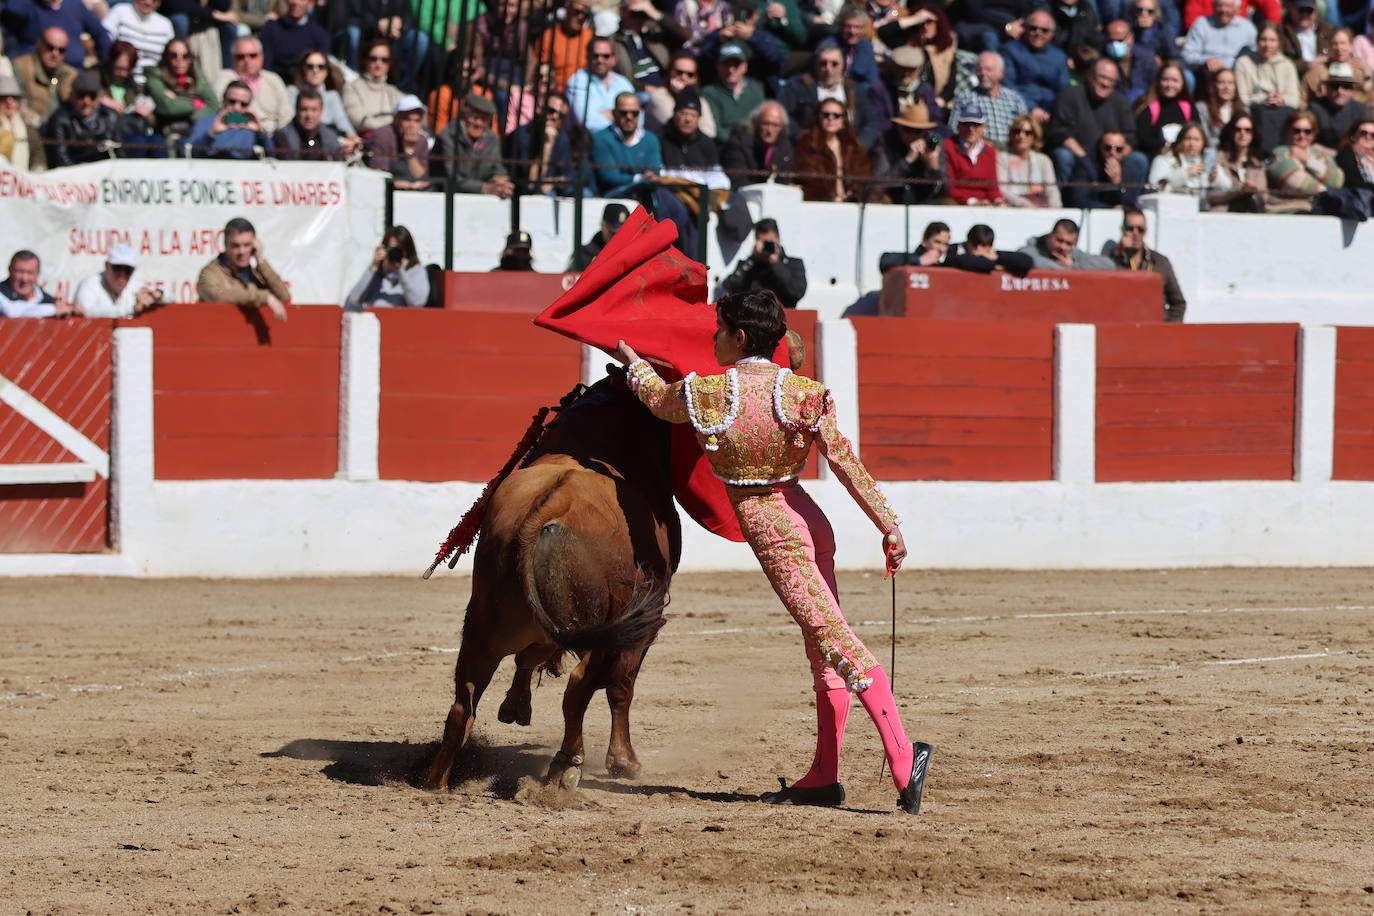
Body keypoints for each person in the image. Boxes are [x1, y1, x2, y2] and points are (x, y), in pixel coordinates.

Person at [613, 290, 933, 815]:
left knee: (834, 641)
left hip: (774, 528)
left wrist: (633, 364)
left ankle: (904, 759)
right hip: (809, 518)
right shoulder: (805, 392)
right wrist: (888, 524)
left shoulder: (709, 392)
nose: (713, 337)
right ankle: (824, 778)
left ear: (740, 336)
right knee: (822, 647)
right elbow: (846, 463)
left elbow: (658, 401)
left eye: (719, 329)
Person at [1048, 58, 1149, 185]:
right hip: (1077, 154)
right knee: (1063, 156)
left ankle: (1127, 203)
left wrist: (1116, 157)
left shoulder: (1120, 101)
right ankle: (1060, 200)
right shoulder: (1069, 95)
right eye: (1102, 77)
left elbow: (1130, 138)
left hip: (1109, 155)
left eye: (1111, 80)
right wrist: (1083, 157)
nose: (1106, 83)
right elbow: (1059, 132)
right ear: (1090, 75)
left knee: (1138, 159)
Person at [778, 42, 880, 149]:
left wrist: (859, 145)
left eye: (834, 64)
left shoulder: (855, 89)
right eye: (823, 63)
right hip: (810, 149)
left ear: (843, 65)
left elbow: (871, 122)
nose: (828, 69)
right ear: (815, 64)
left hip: (847, 150)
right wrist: (803, 137)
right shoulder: (798, 86)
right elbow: (784, 116)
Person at [196, 217, 289, 320]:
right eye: (235, 246)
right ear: (226, 245)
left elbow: (283, 297)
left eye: (247, 245)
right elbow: (218, 297)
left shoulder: (256, 274)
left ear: (254, 245)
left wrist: (261, 261)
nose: (242, 251)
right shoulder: (209, 273)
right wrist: (265, 297)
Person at [1105, 206, 1187, 321]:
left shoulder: (1160, 262)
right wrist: (1121, 253)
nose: (1135, 233)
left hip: (1156, 327)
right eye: (1130, 228)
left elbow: (1178, 303)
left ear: (1146, 231)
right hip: (1125, 326)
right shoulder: (1112, 261)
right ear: (1123, 230)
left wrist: (1169, 329)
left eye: (1140, 229)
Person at [793, 98, 876, 202]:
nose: (831, 118)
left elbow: (863, 175)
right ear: (818, 117)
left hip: (850, 202)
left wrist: (852, 194)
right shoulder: (806, 142)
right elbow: (807, 177)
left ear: (843, 120)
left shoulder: (853, 144)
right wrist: (829, 197)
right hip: (819, 203)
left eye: (836, 116)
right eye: (826, 115)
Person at [1236, 21, 1301, 148]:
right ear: (1257, 41)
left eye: (1272, 40)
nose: (1267, 45)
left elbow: (1295, 100)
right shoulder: (1244, 63)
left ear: (1279, 42)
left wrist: (1282, 99)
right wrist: (1264, 98)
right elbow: (1243, 98)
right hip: (1255, 111)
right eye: (1263, 40)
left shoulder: (1287, 65)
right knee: (1264, 115)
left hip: (1283, 111)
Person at [435, 92, 514, 197]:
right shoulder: (448, 136)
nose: (479, 123)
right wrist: (483, 188)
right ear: (464, 116)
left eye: (484, 120)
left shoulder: (491, 138)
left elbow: (498, 168)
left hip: (478, 200)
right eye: (475, 118)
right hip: (448, 198)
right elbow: (452, 177)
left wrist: (500, 182)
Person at [717, 218, 807, 308]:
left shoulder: (794, 264)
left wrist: (775, 263)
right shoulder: (750, 265)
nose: (766, 247)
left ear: (778, 240)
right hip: (751, 318)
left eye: (769, 242)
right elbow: (730, 285)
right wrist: (752, 258)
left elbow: (796, 292)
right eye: (762, 242)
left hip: (783, 316)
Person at [1265, 107, 1344, 210]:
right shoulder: (1279, 153)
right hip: (1287, 209)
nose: (1302, 135)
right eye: (1296, 131)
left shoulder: (1322, 156)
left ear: (1314, 133)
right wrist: (1328, 192)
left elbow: (1337, 180)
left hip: (1318, 210)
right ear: (1288, 131)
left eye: (1307, 131)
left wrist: (1308, 161)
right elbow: (1298, 182)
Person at [587, 91, 662, 197]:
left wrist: (648, 177)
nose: (629, 117)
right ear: (614, 113)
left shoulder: (651, 139)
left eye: (634, 113)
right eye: (624, 113)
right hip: (612, 196)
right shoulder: (601, 139)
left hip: (647, 193)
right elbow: (609, 177)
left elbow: (654, 171)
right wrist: (639, 178)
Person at [42, 70, 122, 167]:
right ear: (71, 95)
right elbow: (60, 159)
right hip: (74, 176)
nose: (86, 101)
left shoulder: (110, 116)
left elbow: (120, 154)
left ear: (99, 97)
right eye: (81, 95)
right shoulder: (60, 120)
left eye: (92, 96)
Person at [1001, 10, 1070, 122]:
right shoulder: (1010, 50)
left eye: (1044, 30)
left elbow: (1064, 89)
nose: (1038, 33)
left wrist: (1053, 111)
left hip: (1051, 113)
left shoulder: (1059, 56)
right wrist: (1031, 108)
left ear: (1052, 33)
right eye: (1033, 28)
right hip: (1020, 110)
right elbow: (1009, 85)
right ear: (1025, 29)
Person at [870, 100, 945, 204]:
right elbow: (879, 184)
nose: (912, 135)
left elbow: (944, 190)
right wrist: (907, 161)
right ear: (898, 127)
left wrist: (934, 166)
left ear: (925, 131)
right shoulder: (885, 141)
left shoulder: (934, 143)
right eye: (907, 129)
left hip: (925, 199)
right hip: (893, 198)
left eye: (918, 131)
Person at [948, 51, 1029, 147]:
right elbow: (953, 129)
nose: (983, 73)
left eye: (988, 70)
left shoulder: (1015, 99)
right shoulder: (966, 97)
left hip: (1011, 151)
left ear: (1001, 74)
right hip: (980, 150)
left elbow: (1026, 128)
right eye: (979, 69)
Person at [212, 37, 291, 134]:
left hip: (273, 136)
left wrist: (277, 136)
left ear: (261, 56)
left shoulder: (273, 79)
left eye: (253, 55)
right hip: (237, 133)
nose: (247, 60)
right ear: (232, 58)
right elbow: (218, 110)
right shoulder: (225, 78)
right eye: (241, 56)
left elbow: (286, 115)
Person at [145, 37, 216, 143]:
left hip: (192, 132)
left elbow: (214, 106)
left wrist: (179, 100)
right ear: (166, 58)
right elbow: (168, 106)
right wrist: (197, 104)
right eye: (174, 55)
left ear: (190, 59)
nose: (179, 60)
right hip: (163, 133)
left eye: (185, 56)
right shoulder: (156, 76)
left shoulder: (198, 78)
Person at [286, 50, 357, 156]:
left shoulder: (332, 96)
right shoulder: (292, 92)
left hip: (328, 144)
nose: (315, 70)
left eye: (321, 66)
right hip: (299, 143)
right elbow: (288, 123)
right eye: (310, 66)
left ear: (327, 71)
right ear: (303, 69)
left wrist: (353, 140)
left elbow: (344, 124)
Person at [3, 0, 111, 69]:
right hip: (37, 73)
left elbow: (101, 35)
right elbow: (9, 34)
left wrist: (105, 66)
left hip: (74, 72)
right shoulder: (24, 6)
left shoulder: (75, 5)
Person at [345, 225, 428, 309]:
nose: (395, 253)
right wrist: (374, 266)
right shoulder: (378, 272)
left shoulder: (416, 271)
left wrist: (400, 271)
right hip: (375, 320)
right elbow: (354, 300)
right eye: (392, 248)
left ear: (408, 249)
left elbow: (417, 303)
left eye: (399, 249)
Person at [567, 36, 638, 134]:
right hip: (587, 145)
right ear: (587, 56)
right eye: (595, 56)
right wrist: (618, 117)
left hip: (622, 143)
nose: (600, 60)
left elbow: (638, 118)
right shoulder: (577, 80)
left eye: (606, 56)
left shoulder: (624, 83)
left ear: (614, 59)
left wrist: (606, 114)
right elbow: (587, 122)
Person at [13, 27, 77, 132]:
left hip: (59, 132)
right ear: (39, 44)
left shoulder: (70, 74)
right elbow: (17, 104)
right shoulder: (21, 67)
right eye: (50, 47)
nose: (55, 54)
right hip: (30, 129)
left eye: (61, 50)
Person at [509, 93, 575, 196]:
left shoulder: (562, 137)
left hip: (552, 189)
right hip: (522, 191)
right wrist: (548, 144)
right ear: (540, 109)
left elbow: (569, 175)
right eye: (551, 111)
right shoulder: (524, 135)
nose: (555, 117)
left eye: (561, 115)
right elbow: (530, 181)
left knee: (584, 193)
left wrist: (553, 181)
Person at [612, 0, 685, 91]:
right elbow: (614, 77)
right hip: (636, 93)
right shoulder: (614, 41)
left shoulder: (654, 31)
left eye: (642, 13)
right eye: (634, 14)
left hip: (666, 88)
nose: (639, 18)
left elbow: (683, 36)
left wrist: (655, 13)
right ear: (622, 12)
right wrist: (642, 88)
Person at [71, 243, 161, 317]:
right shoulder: (90, 285)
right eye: (117, 268)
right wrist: (131, 309)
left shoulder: (134, 285)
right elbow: (85, 311)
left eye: (128, 270)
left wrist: (157, 295)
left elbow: (169, 297)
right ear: (107, 266)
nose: (122, 275)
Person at [701, 40, 767, 140]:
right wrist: (736, 143)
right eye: (726, 64)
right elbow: (715, 128)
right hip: (725, 148)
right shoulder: (708, 93)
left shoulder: (757, 89)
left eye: (736, 64)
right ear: (717, 66)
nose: (730, 69)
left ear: (745, 66)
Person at [187, 79, 269, 158]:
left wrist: (261, 133)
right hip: (211, 167)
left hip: (243, 168)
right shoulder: (206, 121)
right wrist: (211, 133)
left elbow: (272, 156)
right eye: (232, 101)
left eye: (243, 104)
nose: (237, 108)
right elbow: (187, 154)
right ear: (224, 99)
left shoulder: (252, 124)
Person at [720, 100, 794, 187]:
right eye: (766, 124)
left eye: (775, 125)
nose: (770, 130)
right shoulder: (738, 142)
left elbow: (784, 180)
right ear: (756, 122)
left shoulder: (784, 146)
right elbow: (737, 180)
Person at [362, 94, 430, 189]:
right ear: (396, 119)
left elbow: (420, 177)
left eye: (417, 121)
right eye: (407, 119)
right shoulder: (383, 136)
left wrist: (409, 149)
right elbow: (378, 176)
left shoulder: (422, 140)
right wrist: (409, 185)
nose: (412, 125)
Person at [943, 101, 1005, 204]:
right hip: (956, 203)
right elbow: (949, 187)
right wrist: (973, 202)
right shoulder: (947, 146)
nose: (971, 129)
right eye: (966, 124)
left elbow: (992, 188)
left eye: (976, 125)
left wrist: (999, 201)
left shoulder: (990, 151)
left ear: (984, 127)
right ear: (958, 126)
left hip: (985, 204)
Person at [646, 52, 718, 139]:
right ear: (670, 73)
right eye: (679, 72)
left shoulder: (698, 99)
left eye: (690, 75)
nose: (684, 77)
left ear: (695, 79)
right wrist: (684, 94)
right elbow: (679, 127)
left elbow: (710, 132)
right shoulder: (658, 96)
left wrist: (686, 94)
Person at [1067, 128, 1147, 206]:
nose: (1112, 152)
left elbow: (1129, 202)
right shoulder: (1086, 165)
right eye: (1108, 148)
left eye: (1118, 149)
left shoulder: (1129, 167)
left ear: (1124, 151)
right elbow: (1079, 199)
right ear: (1100, 147)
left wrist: (1117, 184)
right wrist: (1110, 208)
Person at [1134, 61, 1199, 157]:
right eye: (1165, 79)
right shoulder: (1149, 106)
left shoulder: (1188, 108)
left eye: (1175, 80)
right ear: (1158, 81)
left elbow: (1198, 134)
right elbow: (1142, 139)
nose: (1169, 85)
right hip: (1158, 157)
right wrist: (1163, 146)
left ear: (1182, 83)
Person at [1181, 0, 1257, 81]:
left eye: (1228, 6)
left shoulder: (1247, 28)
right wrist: (1205, 60)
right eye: (1219, 5)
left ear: (1236, 9)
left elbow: (1256, 54)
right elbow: (1187, 55)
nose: (1223, 10)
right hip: (1207, 75)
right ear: (1213, 7)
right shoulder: (1201, 24)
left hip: (1238, 74)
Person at [1207, 112, 1270, 209]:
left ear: (1253, 134)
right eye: (1238, 129)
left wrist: (1254, 189)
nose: (1242, 133)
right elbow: (1211, 196)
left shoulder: (1257, 163)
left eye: (1247, 130)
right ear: (1231, 132)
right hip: (1224, 212)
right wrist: (1239, 190)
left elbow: (1264, 197)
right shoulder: (1219, 158)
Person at [998, 113, 1062, 205]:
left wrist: (1055, 212)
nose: (1021, 136)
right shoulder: (1002, 158)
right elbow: (1001, 190)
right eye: (1017, 131)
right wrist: (1025, 204)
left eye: (1027, 133)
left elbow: (1052, 191)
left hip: (1041, 209)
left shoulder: (1043, 160)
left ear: (1034, 136)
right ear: (1011, 134)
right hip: (1012, 209)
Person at [101, 0, 174, 79]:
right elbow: (103, 40)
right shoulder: (120, 11)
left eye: (154, 0)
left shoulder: (165, 24)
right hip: (121, 77)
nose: (148, 2)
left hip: (152, 79)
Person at [258, 0, 329, 82]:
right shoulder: (271, 29)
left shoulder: (319, 34)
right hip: (277, 82)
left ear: (310, 3)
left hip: (308, 86)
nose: (296, 2)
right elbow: (266, 67)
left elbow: (321, 67)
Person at [342, 38, 401, 136]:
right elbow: (358, 120)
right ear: (365, 60)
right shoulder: (352, 87)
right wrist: (390, 128)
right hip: (367, 141)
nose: (379, 63)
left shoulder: (393, 91)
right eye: (373, 59)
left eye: (384, 60)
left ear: (390, 64)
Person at [1299, 28, 1371, 104]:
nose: (1339, 48)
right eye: (1335, 44)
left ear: (1351, 47)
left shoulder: (1360, 70)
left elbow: (1369, 97)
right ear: (1330, 47)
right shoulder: (1318, 71)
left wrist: (1368, 75)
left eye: (1343, 43)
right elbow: (1303, 97)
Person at [0, 250, 75, 318]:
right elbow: (11, 312)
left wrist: (73, 311)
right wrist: (52, 310)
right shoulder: (1, 293)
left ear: (38, 273)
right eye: (19, 271)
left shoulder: (47, 300)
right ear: (9, 270)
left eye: (30, 273)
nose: (24, 279)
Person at [272, 87, 342, 160]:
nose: (309, 115)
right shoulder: (282, 136)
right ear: (296, 110)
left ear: (321, 112)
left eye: (314, 110)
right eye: (304, 109)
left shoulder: (330, 136)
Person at [1311, 61, 1370, 147]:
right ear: (1327, 88)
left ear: (1352, 90)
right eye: (1335, 86)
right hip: (1321, 157)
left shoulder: (1361, 110)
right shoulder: (1315, 108)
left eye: (1346, 86)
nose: (1340, 91)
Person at [1148, 121, 1213, 198]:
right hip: (1172, 205)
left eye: (1196, 139)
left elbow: (1227, 186)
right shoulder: (1163, 160)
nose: (1192, 144)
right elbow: (1154, 186)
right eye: (1187, 138)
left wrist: (1214, 178)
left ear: (1203, 143)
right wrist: (1185, 173)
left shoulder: (1208, 161)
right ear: (1180, 140)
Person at [1017, 218, 1114, 269]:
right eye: (1059, 240)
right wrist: (1066, 269)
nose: (1063, 247)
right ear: (1049, 236)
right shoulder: (1033, 248)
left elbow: (1108, 264)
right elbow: (1029, 259)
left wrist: (1074, 266)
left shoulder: (1073, 255)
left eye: (1068, 244)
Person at [942, 223, 1034, 274]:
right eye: (974, 245)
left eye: (983, 245)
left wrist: (997, 257)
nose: (977, 249)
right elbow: (964, 261)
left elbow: (1026, 261)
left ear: (990, 246)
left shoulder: (993, 254)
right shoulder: (954, 250)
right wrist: (994, 266)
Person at [1105, 18, 1159, 103]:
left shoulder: (1146, 57)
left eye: (1120, 40)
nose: (1115, 44)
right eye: (1111, 41)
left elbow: (1155, 85)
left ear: (1131, 37)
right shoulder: (1103, 62)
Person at [1281, 0, 1335, 77]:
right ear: (1291, 9)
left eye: (1309, 11)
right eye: (1301, 10)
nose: (1304, 15)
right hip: (1295, 78)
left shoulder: (1328, 31)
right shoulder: (1282, 32)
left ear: (1316, 11)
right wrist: (1308, 65)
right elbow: (1282, 63)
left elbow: (1334, 55)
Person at [569, 202, 629, 271]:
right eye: (612, 233)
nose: (617, 237)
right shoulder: (584, 255)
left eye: (622, 233)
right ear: (602, 225)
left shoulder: (631, 253)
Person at [0, 75, 36, 170]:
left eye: (14, 97)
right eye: (4, 97)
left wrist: (38, 168)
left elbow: (37, 153)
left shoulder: (27, 124)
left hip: (24, 178)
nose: (9, 102)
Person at [1197, 66, 1238, 145]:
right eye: (1221, 82)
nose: (1226, 87)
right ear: (1213, 85)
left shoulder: (1242, 110)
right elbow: (1204, 139)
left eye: (1230, 83)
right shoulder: (1202, 108)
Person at [1334, 116, 1374, 190]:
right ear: (1353, 135)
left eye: (1373, 135)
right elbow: (1353, 181)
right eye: (1363, 133)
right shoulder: (1346, 153)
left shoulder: (1372, 157)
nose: (1368, 137)